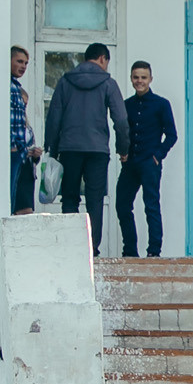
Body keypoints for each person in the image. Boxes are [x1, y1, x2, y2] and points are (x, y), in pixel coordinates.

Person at [44, 41, 128, 254]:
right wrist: (123, 148)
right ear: (102, 58)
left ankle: (70, 248)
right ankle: (92, 250)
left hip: (69, 149)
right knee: (95, 200)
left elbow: (54, 116)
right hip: (97, 150)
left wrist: (52, 148)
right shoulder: (108, 83)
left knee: (69, 198)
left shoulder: (65, 81)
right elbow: (121, 119)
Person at [117, 60, 179, 258]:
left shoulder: (161, 104)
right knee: (122, 205)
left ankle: (154, 251)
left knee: (151, 205)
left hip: (149, 163)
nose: (139, 81)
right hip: (130, 163)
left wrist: (158, 156)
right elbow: (121, 130)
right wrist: (122, 151)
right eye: (136, 77)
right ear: (131, 79)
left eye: (143, 77)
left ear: (150, 79)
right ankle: (130, 250)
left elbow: (172, 135)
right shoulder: (126, 105)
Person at [9, 46, 41, 214]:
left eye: (26, 63)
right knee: (11, 201)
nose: (23, 66)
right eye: (19, 61)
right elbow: (10, 121)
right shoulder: (10, 87)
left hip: (22, 156)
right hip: (14, 153)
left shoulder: (15, 86)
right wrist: (14, 147)